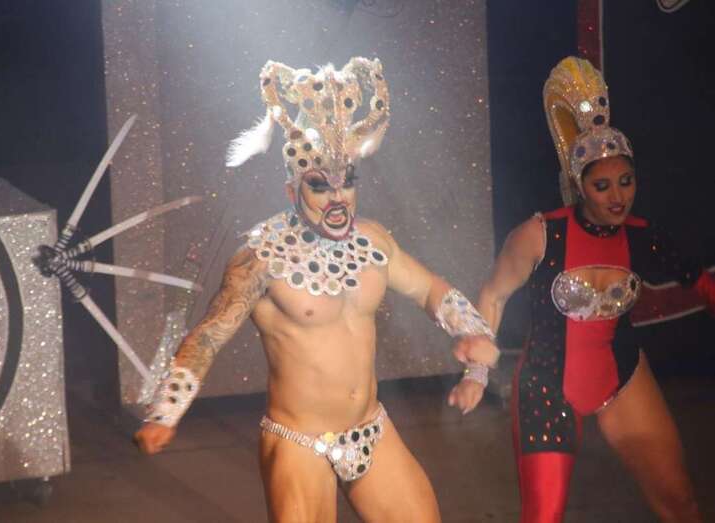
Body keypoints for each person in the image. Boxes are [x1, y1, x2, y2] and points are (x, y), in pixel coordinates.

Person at [134, 57, 499, 522]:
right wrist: (165, 412)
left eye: (346, 183)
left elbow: (431, 290)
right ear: (292, 191)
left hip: (370, 430)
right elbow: (208, 337)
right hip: (299, 443)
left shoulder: (373, 242)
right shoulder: (260, 257)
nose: (337, 198)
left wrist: (470, 331)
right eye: (320, 186)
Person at [471, 57, 715, 523]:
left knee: (680, 502)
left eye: (626, 182)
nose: (618, 197)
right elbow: (493, 296)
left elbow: (700, 282)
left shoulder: (642, 235)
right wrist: (477, 371)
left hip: (621, 376)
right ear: (580, 185)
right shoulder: (540, 235)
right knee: (543, 516)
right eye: (602, 186)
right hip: (548, 383)